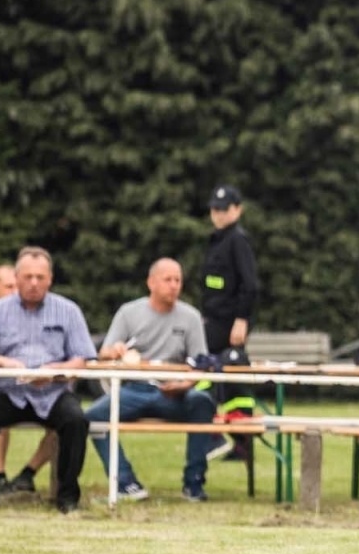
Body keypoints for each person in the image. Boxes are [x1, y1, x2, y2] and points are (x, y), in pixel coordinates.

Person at [85, 258, 215, 501]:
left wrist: (184, 385)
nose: (174, 285)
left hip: (175, 392)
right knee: (93, 417)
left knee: (203, 402)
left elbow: (201, 364)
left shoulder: (191, 317)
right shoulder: (129, 312)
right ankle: (125, 483)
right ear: (151, 282)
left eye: (178, 280)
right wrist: (116, 351)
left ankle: (194, 483)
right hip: (135, 389)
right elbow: (104, 352)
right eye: (168, 279)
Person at [0, 247, 94, 513]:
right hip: (9, 391)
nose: (33, 283)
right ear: (16, 278)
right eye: (28, 276)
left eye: (40, 277)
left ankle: (66, 498)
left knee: (76, 420)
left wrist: (54, 370)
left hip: (53, 392)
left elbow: (82, 359)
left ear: (50, 279)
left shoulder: (68, 310)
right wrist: (4, 363)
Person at [0, 263, 57, 493]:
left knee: (70, 417)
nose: (15, 291)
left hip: (25, 386)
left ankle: (25, 475)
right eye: (8, 286)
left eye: (16, 285)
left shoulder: (32, 312)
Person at [200, 184, 260, 460]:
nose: (218, 214)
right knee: (213, 376)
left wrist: (242, 320)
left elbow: (250, 285)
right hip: (213, 320)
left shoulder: (238, 240)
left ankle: (237, 441)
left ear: (238, 210)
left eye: (224, 209)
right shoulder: (217, 240)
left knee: (222, 377)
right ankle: (219, 435)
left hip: (229, 324)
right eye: (215, 209)